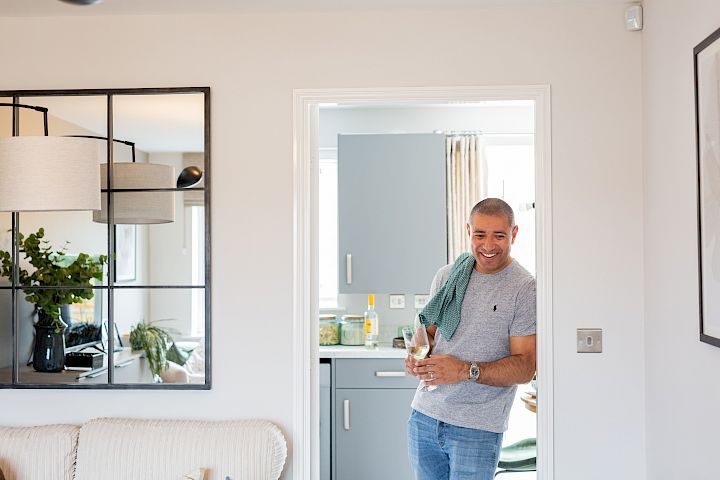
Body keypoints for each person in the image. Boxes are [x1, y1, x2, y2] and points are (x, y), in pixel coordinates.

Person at [406, 197, 536, 480]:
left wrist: (464, 370)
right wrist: (416, 360)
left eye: (499, 235)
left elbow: (525, 367)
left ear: (514, 234)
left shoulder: (525, 289)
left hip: (478, 429)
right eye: (480, 234)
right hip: (424, 419)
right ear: (468, 232)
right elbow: (427, 335)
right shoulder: (447, 275)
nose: (488, 246)